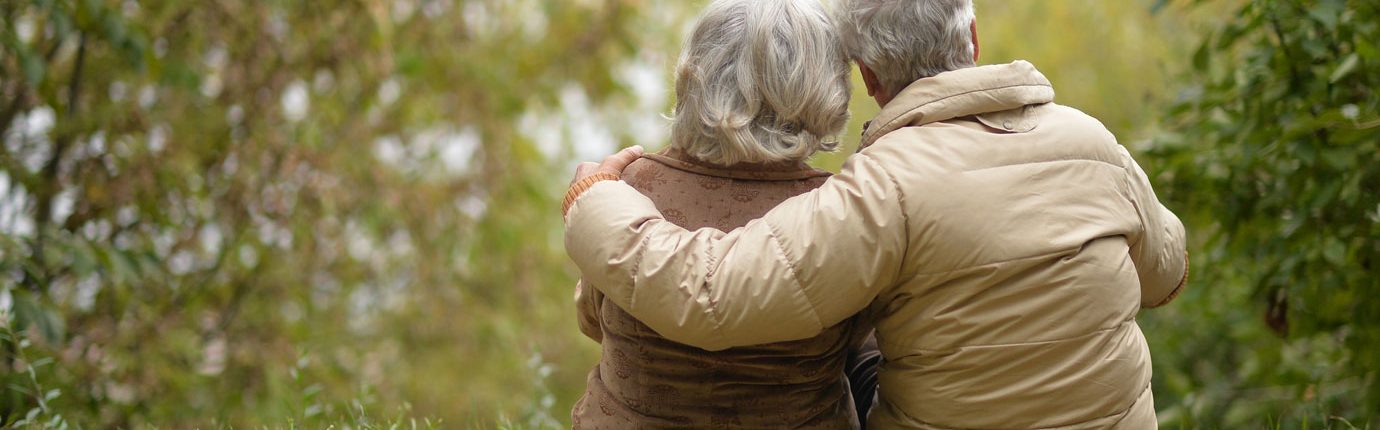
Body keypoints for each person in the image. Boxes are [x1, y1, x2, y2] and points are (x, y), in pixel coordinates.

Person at [562, 0, 1190, 428]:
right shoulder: (1091, 140)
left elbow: (710, 296)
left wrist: (593, 196)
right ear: (973, 39)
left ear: (865, 75)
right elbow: (1165, 275)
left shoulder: (880, 188)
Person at [566, 0, 875, 428]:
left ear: (695, 72)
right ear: (827, 89)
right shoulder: (840, 209)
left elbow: (592, 320)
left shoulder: (623, 190)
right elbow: (860, 337)